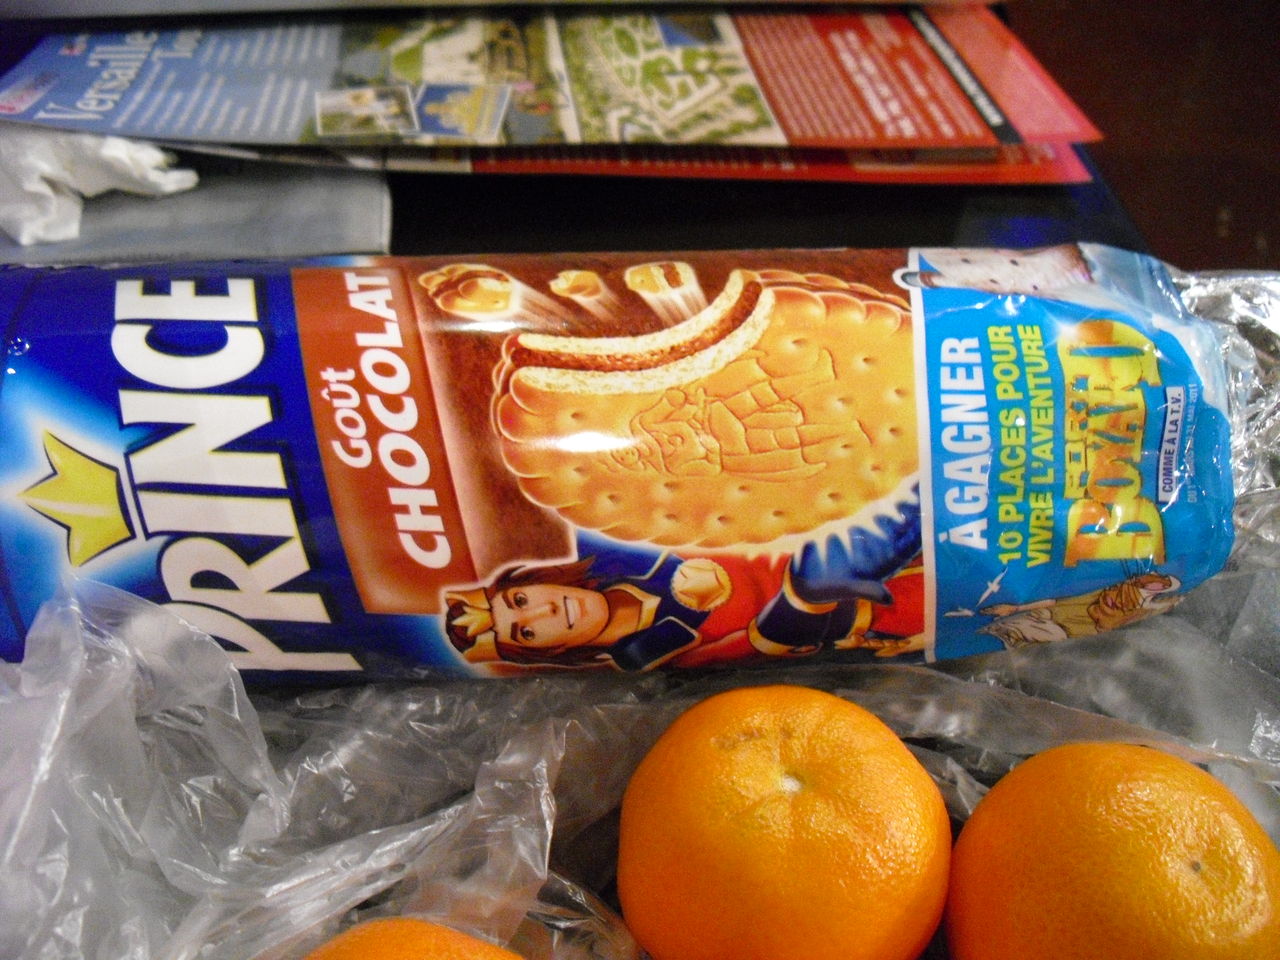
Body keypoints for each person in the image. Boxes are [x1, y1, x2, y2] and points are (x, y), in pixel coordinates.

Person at [444, 490, 926, 671]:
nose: (544, 610)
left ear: (536, 579)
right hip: (874, 603)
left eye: (521, 599)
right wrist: (807, 594)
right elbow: (767, 642)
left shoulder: (613, 548)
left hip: (831, 509)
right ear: (548, 652)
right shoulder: (647, 651)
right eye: (527, 631)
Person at [978, 572, 1182, 648]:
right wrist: (1016, 608)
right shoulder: (1094, 595)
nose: (1113, 598)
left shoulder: (1102, 629)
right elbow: (1053, 602)